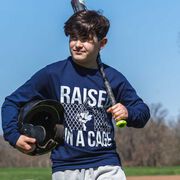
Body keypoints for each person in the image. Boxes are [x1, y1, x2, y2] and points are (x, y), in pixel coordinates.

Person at [1, 10, 150, 179]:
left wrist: (128, 113)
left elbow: (142, 111)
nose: (77, 44)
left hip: (106, 164)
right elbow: (11, 102)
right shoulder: (53, 74)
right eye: (73, 37)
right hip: (66, 168)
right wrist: (14, 136)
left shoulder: (113, 78)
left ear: (102, 43)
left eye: (85, 39)